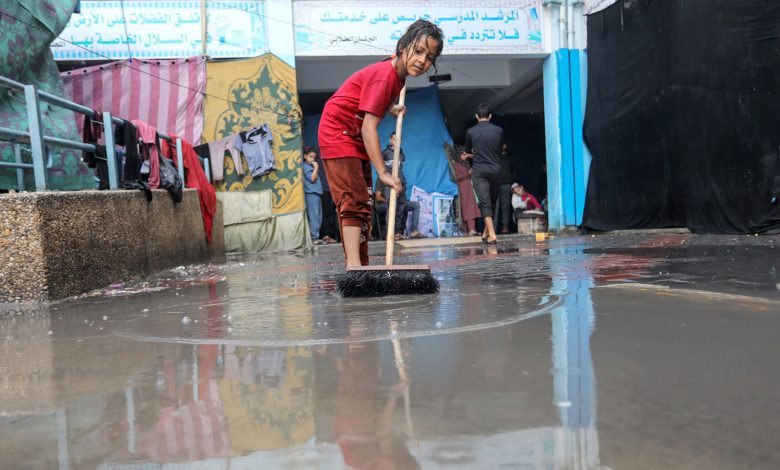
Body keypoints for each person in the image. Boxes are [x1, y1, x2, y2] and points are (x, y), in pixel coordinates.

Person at [317, 20, 443, 267]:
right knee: (352, 200)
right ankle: (354, 268)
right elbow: (368, 127)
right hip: (339, 131)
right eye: (417, 51)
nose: (421, 60)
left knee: (363, 201)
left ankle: (361, 265)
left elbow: (368, 98)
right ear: (402, 46)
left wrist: (390, 108)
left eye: (429, 57)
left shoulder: (397, 76)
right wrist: (383, 173)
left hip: (351, 133)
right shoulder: (386, 77)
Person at [462, 103, 506, 245]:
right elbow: (501, 148)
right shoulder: (499, 130)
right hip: (496, 171)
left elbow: (468, 151)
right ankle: (488, 233)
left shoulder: (471, 132)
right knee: (491, 202)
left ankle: (490, 233)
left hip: (480, 171)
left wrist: (473, 154)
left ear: (476, 116)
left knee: (485, 203)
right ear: (490, 116)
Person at [378, 132, 422, 238]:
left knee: (400, 208)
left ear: (401, 141)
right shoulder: (385, 153)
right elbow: (381, 170)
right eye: (394, 139)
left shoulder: (402, 154)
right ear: (390, 140)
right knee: (392, 207)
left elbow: (400, 169)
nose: (395, 142)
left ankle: (397, 232)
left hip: (401, 183)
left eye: (398, 140)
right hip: (390, 184)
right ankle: (390, 232)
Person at [302, 147, 324, 244]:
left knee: (318, 216)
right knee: (314, 216)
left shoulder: (310, 166)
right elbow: (312, 179)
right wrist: (316, 168)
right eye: (310, 157)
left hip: (316, 194)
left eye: (314, 158)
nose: (312, 159)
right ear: (305, 156)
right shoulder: (306, 166)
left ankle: (316, 236)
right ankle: (314, 237)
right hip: (311, 194)